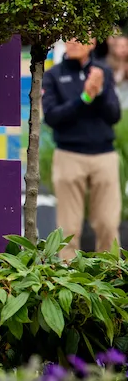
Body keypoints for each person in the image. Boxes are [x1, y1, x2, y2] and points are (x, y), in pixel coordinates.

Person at [45, 38, 122, 259]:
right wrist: (84, 97)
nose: (73, 42)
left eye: (80, 36)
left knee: (108, 224)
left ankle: (110, 277)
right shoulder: (54, 75)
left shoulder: (102, 72)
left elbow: (114, 114)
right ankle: (67, 281)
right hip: (68, 155)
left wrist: (97, 94)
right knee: (68, 228)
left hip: (104, 156)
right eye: (68, 37)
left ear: (92, 42)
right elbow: (52, 116)